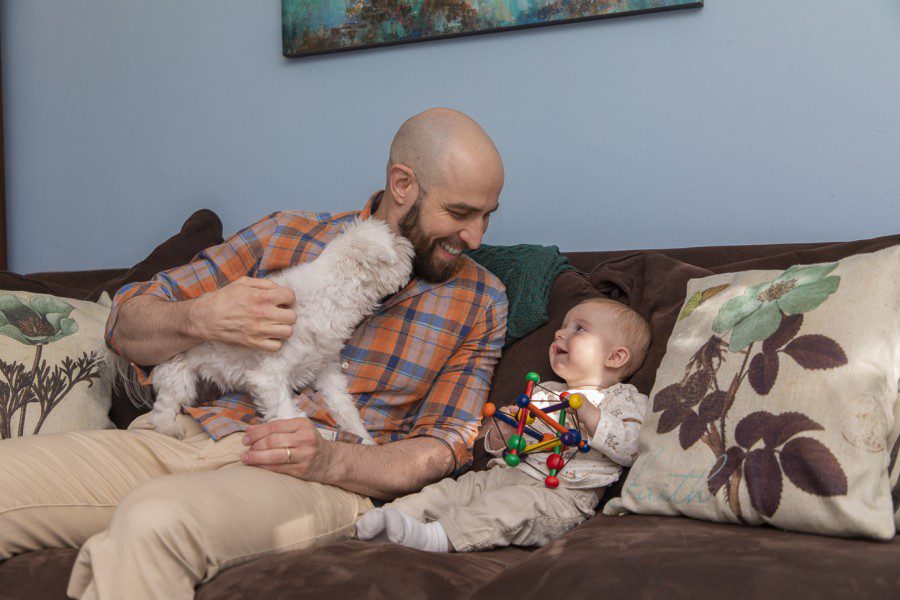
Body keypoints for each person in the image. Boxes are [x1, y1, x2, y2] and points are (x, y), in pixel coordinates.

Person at [0, 108, 508, 599]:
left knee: (155, 522)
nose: (477, 237)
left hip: (310, 478)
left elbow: (445, 447)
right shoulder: (286, 233)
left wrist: (331, 459)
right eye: (460, 213)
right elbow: (125, 321)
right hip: (183, 437)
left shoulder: (480, 299)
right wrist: (201, 317)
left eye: (487, 215)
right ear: (403, 185)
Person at [355, 297, 651, 552]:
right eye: (562, 326)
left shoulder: (624, 400)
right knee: (449, 491)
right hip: (502, 475)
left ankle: (436, 537)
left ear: (616, 356)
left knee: (507, 509)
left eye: (579, 328)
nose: (560, 333)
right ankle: (383, 522)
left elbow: (632, 448)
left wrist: (592, 416)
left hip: (559, 496)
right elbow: (501, 447)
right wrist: (503, 433)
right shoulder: (543, 391)